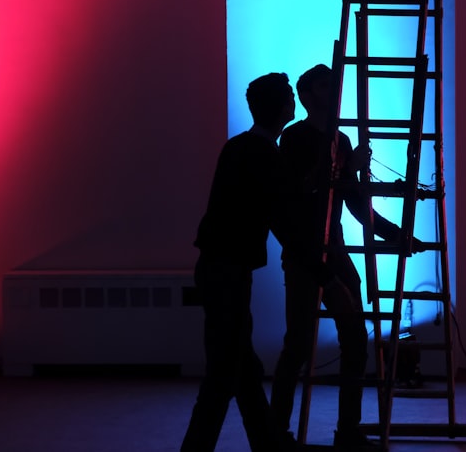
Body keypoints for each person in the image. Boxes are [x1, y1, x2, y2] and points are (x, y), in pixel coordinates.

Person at [270, 64, 422, 451]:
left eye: (333, 84)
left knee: (355, 340)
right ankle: (276, 436)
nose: (333, 90)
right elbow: (298, 196)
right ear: (307, 97)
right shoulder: (294, 138)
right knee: (298, 346)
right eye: (324, 86)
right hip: (305, 252)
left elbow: (354, 203)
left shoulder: (341, 138)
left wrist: (398, 235)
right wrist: (341, 170)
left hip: (335, 248)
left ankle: (348, 431)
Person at [181, 72, 307, 452]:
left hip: (220, 268)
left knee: (241, 370)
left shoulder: (240, 148)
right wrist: (322, 273)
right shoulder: (264, 155)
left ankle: (266, 445)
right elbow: (283, 219)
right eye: (288, 96)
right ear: (282, 107)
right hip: (229, 272)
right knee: (225, 375)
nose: (293, 101)